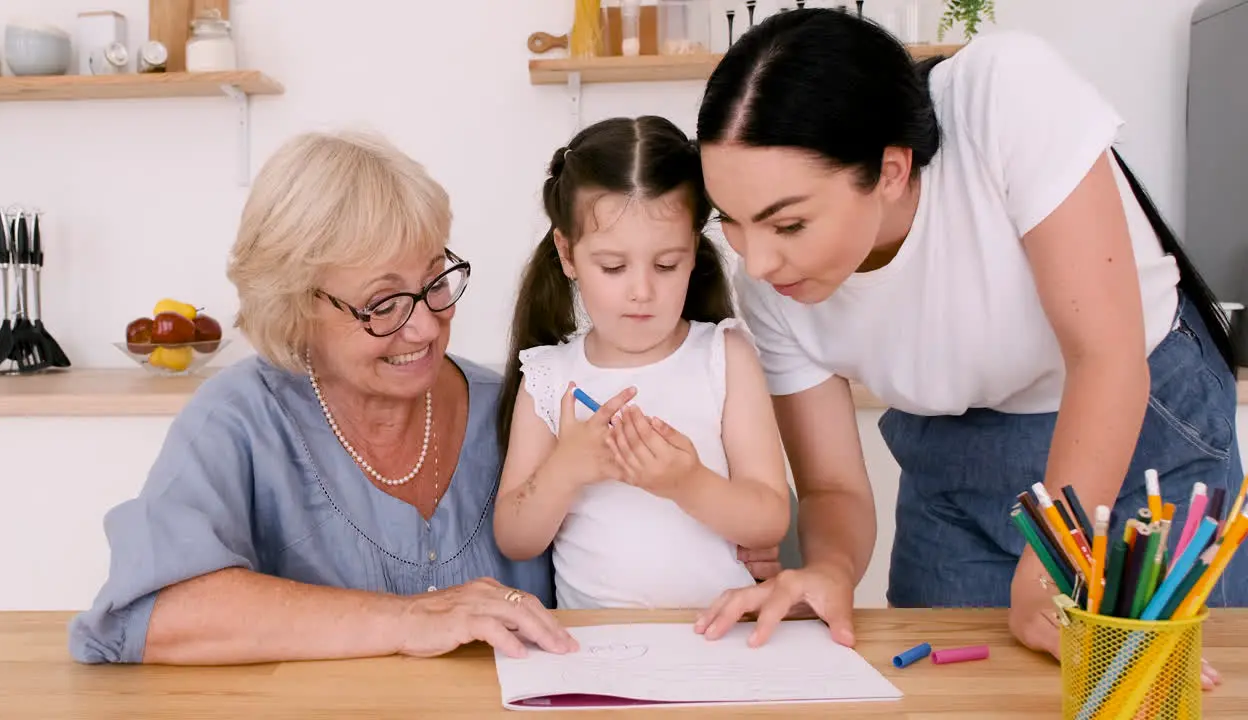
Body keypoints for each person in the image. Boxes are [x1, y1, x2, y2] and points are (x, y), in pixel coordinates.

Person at [689, 7, 1244, 685]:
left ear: (891, 170)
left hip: (1137, 436)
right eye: (733, 222)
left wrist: (1056, 559)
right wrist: (828, 570)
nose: (760, 260)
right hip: (951, 464)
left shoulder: (1005, 94)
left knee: (1150, 691)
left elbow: (1105, 358)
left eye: (790, 223)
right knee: (954, 691)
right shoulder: (767, 286)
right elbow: (832, 485)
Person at [67, 130, 578, 664]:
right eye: (383, 305)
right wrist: (407, 619)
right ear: (296, 307)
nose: (426, 327)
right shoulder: (240, 418)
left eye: (435, 283)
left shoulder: (523, 408)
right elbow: (152, 614)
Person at [492, 116, 793, 610]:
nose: (641, 290)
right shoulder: (549, 377)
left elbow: (770, 520)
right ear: (567, 254)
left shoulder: (724, 356)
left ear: (694, 251)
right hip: (595, 650)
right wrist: (564, 469)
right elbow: (516, 538)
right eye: (612, 266)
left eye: (666, 264)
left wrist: (687, 483)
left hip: (720, 640)